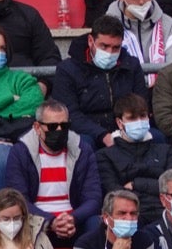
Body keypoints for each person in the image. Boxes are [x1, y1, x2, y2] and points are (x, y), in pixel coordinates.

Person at [6, 100, 102, 248]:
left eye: (64, 126)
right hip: (36, 222)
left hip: (74, 222)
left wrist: (72, 219)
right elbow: (18, 199)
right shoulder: (20, 152)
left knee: (96, 223)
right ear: (37, 127)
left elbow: (93, 197)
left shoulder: (83, 150)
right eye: (52, 126)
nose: (59, 130)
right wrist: (50, 222)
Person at [52, 15, 150, 150]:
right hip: (86, 132)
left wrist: (128, 128)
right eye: (104, 46)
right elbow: (69, 114)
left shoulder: (131, 65)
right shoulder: (67, 70)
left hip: (126, 126)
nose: (110, 52)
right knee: (83, 145)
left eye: (116, 47)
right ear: (91, 41)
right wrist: (102, 135)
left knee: (157, 138)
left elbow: (141, 102)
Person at [96, 95, 172, 225]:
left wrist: (136, 184)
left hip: (165, 213)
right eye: (132, 118)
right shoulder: (104, 156)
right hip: (131, 218)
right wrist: (156, 186)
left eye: (143, 116)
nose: (139, 121)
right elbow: (116, 194)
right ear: (119, 122)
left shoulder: (165, 150)